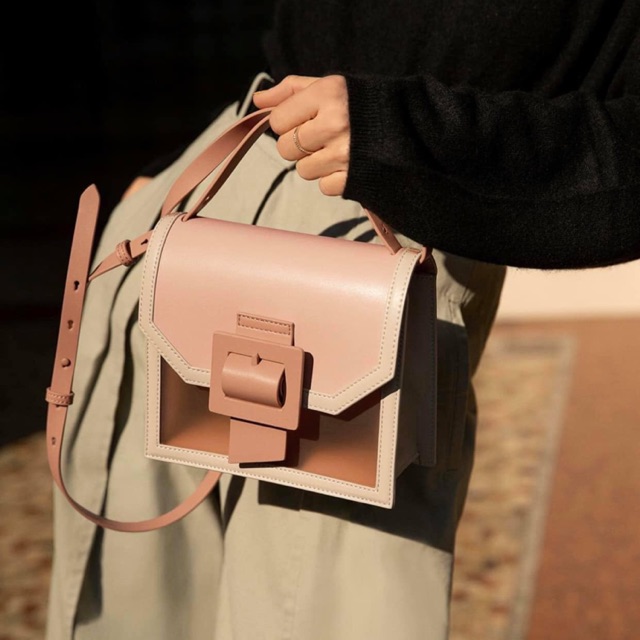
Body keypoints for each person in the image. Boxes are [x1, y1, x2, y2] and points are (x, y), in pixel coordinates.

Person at [46, 2, 640, 639]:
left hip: (381, 255)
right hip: (216, 182)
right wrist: (183, 153)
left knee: (315, 616)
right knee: (125, 602)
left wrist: (404, 132)